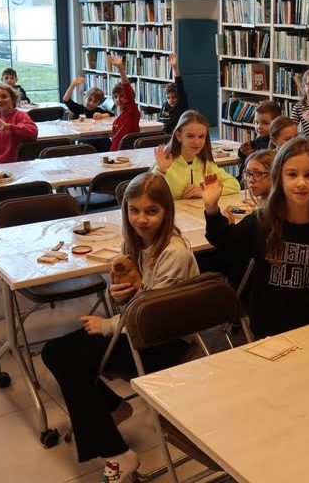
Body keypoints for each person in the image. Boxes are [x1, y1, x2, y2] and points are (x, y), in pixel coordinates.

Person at [41, 173, 198, 480]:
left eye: (151, 211)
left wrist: (108, 325)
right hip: (137, 330)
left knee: (72, 363)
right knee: (53, 351)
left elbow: (155, 318)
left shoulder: (174, 253)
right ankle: (111, 411)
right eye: (134, 210)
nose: (141, 219)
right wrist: (115, 298)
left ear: (167, 211)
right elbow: (136, 302)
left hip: (163, 340)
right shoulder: (135, 244)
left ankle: (117, 453)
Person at [203, 138, 309, 338]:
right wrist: (211, 208)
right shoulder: (261, 222)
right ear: (279, 177)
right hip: (268, 328)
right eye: (292, 174)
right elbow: (224, 241)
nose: (301, 183)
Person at [152, 110, 239, 200]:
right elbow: (149, 194)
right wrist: (161, 170)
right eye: (190, 136)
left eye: (201, 136)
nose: (197, 142)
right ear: (178, 136)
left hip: (197, 213)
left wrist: (205, 190)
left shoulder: (205, 164)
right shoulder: (165, 163)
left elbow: (234, 185)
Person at [237, 100, 281, 178]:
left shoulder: (274, 143)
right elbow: (243, 156)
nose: (259, 127)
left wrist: (251, 153)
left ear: (276, 123)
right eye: (256, 123)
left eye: (265, 123)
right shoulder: (259, 139)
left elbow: (263, 161)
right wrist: (242, 150)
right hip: (245, 177)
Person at [108, 55, 141, 151]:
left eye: (122, 96)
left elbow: (126, 88)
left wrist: (121, 70)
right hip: (115, 153)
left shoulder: (132, 112)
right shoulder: (118, 118)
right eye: (115, 97)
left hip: (127, 154)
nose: (118, 99)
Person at [156, 53, 187, 133]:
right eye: (168, 98)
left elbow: (179, 84)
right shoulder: (165, 105)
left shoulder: (181, 105)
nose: (171, 100)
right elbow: (160, 122)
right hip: (162, 134)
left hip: (175, 136)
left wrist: (175, 67)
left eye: (174, 97)